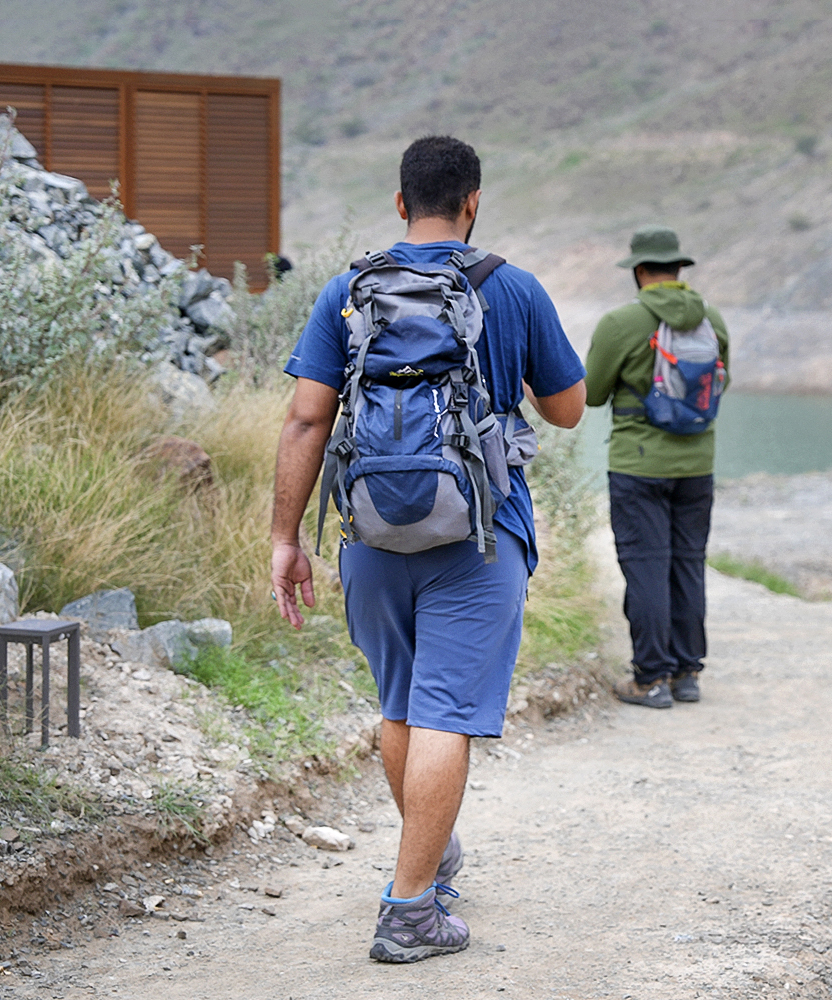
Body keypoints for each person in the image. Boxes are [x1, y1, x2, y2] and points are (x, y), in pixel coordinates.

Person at [268, 135, 586, 963]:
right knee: (446, 713)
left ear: (400, 202)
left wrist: (285, 539)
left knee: (402, 705)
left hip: (370, 529)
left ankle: (428, 852)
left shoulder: (349, 290)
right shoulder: (513, 288)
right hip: (479, 534)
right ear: (473, 203)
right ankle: (410, 910)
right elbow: (567, 410)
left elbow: (306, 420)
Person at [584, 226, 730, 709]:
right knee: (687, 564)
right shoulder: (712, 320)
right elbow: (719, 385)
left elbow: (592, 393)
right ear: (679, 268)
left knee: (646, 566)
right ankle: (687, 673)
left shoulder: (621, 323)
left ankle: (651, 678)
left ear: (640, 270)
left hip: (638, 465)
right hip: (698, 465)